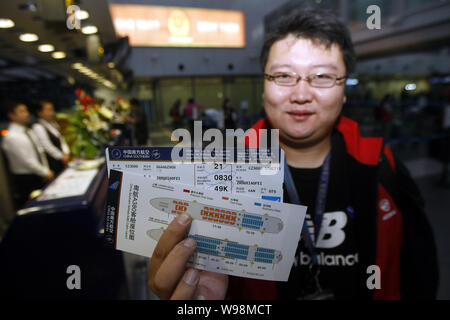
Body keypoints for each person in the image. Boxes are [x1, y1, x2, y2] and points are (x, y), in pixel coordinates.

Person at [148, 9, 438, 300]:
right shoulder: (221, 174)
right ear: (263, 88)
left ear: (344, 92)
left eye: (322, 76)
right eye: (283, 75)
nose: (301, 94)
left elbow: (420, 274)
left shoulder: (381, 166)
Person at [1, 100, 54, 209]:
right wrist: (44, 172)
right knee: (34, 207)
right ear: (11, 115)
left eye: (26, 111)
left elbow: (39, 152)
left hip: (38, 174)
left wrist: (45, 170)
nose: (26, 114)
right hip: (26, 179)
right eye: (21, 111)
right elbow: (26, 160)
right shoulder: (12, 136)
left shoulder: (28, 131)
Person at [32, 100, 70, 176]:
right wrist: (61, 156)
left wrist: (66, 153)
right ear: (39, 112)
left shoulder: (52, 123)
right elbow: (47, 146)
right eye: (49, 110)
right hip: (53, 162)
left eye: (52, 109)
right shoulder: (38, 127)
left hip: (62, 158)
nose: (52, 112)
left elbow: (61, 139)